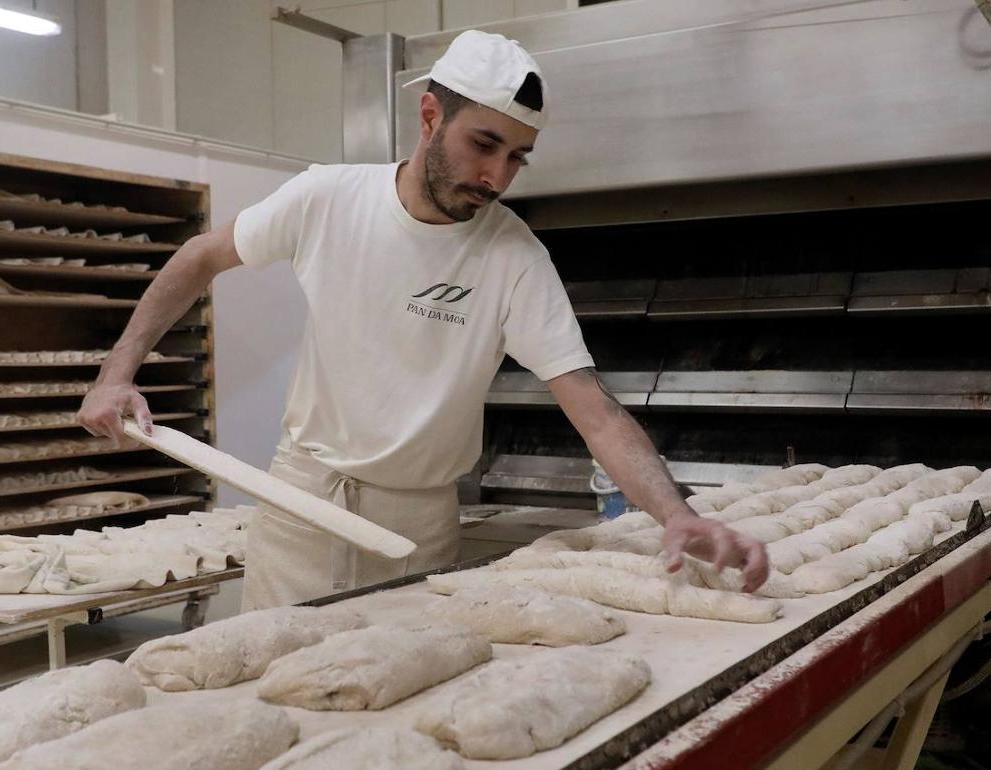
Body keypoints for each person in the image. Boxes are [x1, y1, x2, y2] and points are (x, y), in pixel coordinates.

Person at [77, 29, 769, 610]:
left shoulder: (513, 257)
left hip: (421, 519)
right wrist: (116, 374)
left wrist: (677, 514)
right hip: (304, 504)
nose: (497, 176)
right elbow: (199, 256)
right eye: (484, 144)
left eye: (517, 158)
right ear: (431, 116)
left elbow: (595, 411)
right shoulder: (328, 198)